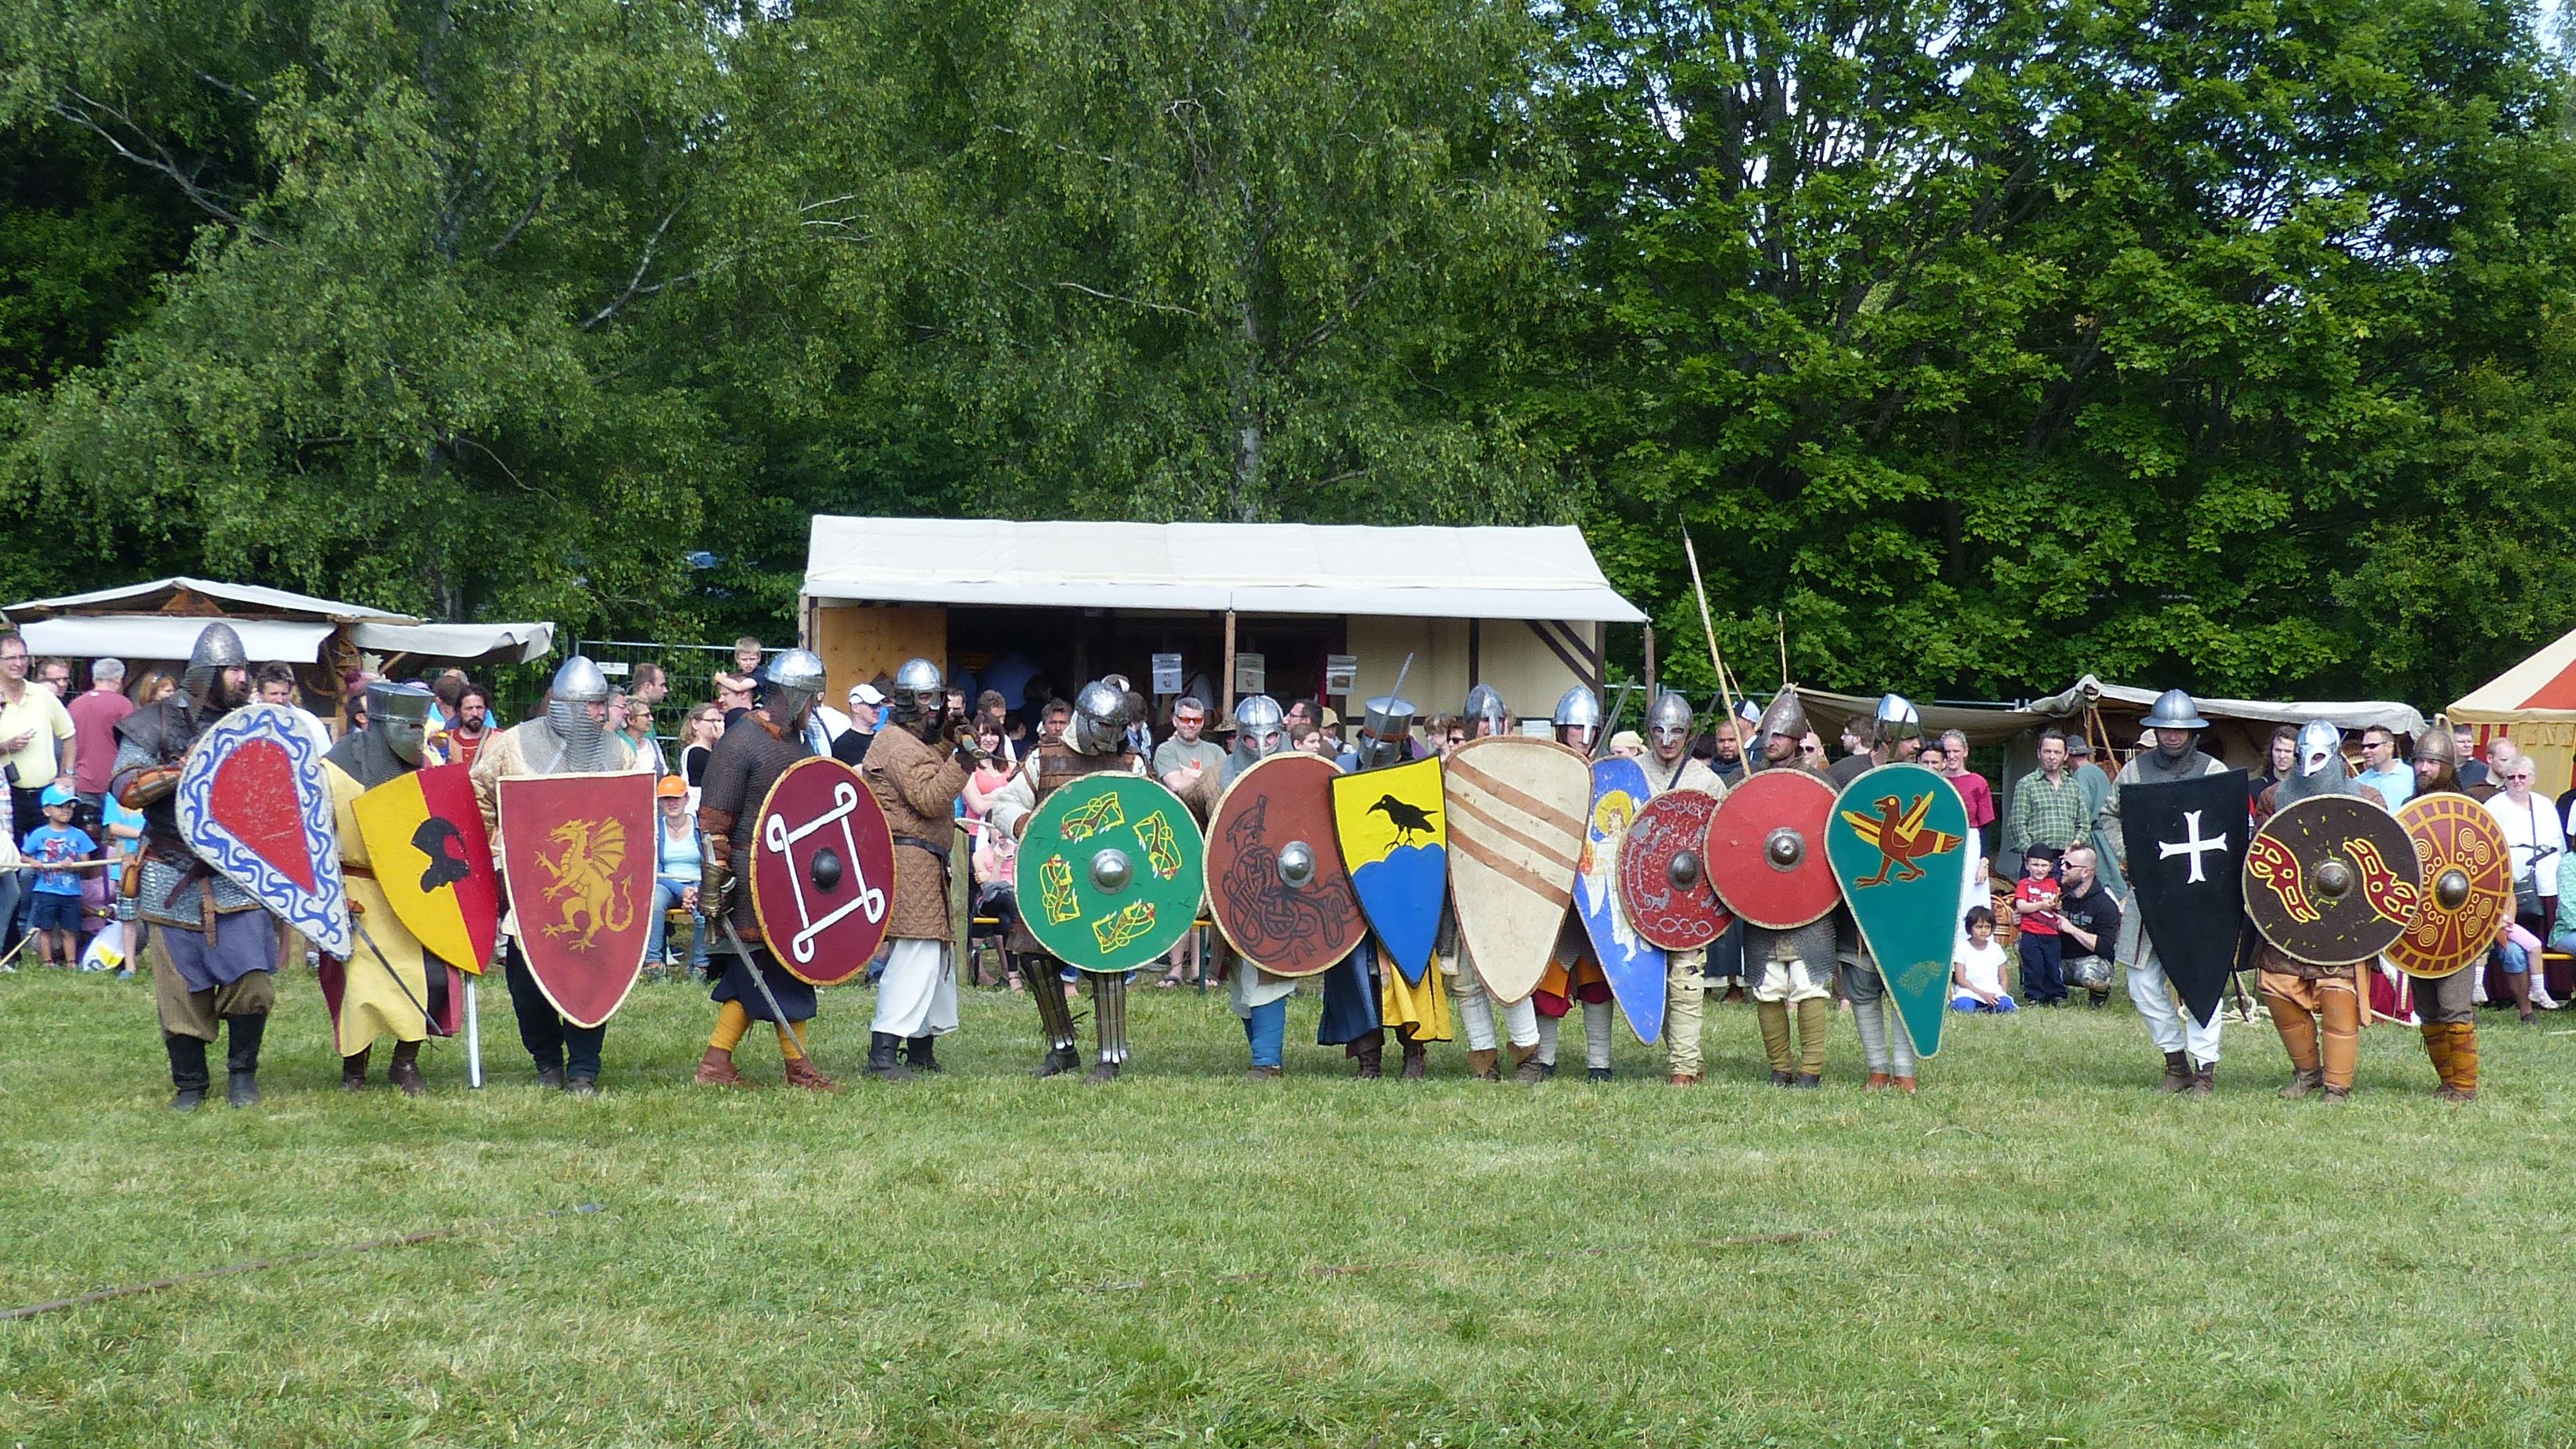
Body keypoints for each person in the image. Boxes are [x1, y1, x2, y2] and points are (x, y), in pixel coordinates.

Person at [110, 623, 273, 1110]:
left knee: (252, 980)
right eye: (235, 670)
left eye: (245, 670)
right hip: (170, 869)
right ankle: (191, 1085)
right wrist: (182, 769)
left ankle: (242, 1075)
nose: (244, 679)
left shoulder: (251, 723)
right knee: (180, 990)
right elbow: (125, 788)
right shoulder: (154, 722)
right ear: (207, 673)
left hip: (239, 871)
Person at [469, 655, 641, 1095]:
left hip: (591, 882)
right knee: (526, 983)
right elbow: (480, 797)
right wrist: (495, 856)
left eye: (602, 704)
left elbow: (631, 813)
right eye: (592, 705)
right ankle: (546, 1060)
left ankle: (584, 1067)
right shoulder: (514, 745)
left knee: (594, 974)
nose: (601, 713)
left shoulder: (618, 751)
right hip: (529, 885)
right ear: (563, 704)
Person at [985, 680, 1148, 1081]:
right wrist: (1024, 822)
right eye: (1105, 727)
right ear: (1087, 721)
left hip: (1109, 882)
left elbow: (1152, 815)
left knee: (1108, 961)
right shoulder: (1046, 757)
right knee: (1034, 956)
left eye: (1118, 728)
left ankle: (1111, 1055)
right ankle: (1062, 1047)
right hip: (1054, 878)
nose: (1112, 737)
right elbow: (1004, 804)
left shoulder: (1132, 763)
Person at [693, 649, 837, 1091]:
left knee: (762, 972)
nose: (814, 707)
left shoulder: (798, 743)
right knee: (773, 970)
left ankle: (717, 1063)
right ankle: (797, 1067)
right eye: (810, 698)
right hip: (751, 872)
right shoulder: (741, 742)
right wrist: (715, 883)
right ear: (792, 695)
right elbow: (713, 820)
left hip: (792, 874)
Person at [316, 681, 458, 1094]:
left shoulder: (426, 768)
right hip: (356, 892)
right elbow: (318, 838)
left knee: (428, 976)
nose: (421, 734)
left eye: (422, 725)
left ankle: (405, 1061)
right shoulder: (335, 771)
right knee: (360, 984)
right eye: (412, 725)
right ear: (384, 724)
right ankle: (355, 1070)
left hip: (413, 891)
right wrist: (329, 897)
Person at [2098, 688, 2230, 1095]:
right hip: (2149, 892)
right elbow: (2108, 815)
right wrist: (2129, 854)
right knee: (2139, 979)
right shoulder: (2134, 773)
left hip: (2199, 896)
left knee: (2202, 979)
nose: (2172, 737)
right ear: (2155, 731)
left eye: (2180, 731)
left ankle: (2205, 1069)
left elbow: (2230, 824)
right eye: (2165, 730)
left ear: (2192, 733)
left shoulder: (2213, 772)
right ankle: (2175, 1062)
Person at [1319, 686, 1451, 1080]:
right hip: (1353, 886)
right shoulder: (1339, 769)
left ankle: (1415, 1051)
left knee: (1408, 967)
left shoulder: (1419, 774)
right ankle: (1368, 1057)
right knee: (1357, 975)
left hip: (1406, 888)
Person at [859, 657, 979, 1080]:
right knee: (916, 952)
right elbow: (928, 797)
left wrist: (949, 743)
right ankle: (883, 1054)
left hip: (925, 858)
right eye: (926, 699)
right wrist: (964, 760)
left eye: (937, 698)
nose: (934, 708)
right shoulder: (894, 743)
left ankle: (921, 1049)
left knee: (934, 955)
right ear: (908, 702)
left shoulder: (912, 743)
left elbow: (929, 766)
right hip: (906, 858)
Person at [2249, 721, 2365, 1102]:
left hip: (2341, 916)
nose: (2307, 764)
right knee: (2277, 988)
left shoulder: (2364, 797)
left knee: (2337, 995)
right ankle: (2307, 1073)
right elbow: (2262, 857)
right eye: (2302, 755)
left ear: (2335, 755)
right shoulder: (2274, 797)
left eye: (2317, 756)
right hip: (2290, 910)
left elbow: (2379, 860)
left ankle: (2337, 1085)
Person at [1441, 685, 1545, 1080]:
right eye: (1480, 719)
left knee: (1510, 972)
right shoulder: (1451, 765)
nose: (1487, 725)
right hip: (1464, 883)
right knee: (1467, 979)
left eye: (1493, 718)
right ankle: (1483, 1059)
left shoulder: (1522, 764)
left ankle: (1529, 1056)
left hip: (1508, 885)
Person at [1742, 688, 1838, 1087]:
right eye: (1767, 733)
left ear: (1798, 740)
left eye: (1780, 735)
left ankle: (1811, 1070)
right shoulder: (1748, 782)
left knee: (1809, 984)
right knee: (1767, 988)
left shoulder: (1820, 784)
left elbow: (1831, 844)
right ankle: (1780, 1067)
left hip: (1807, 902)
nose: (1771, 741)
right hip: (1763, 901)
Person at [1638, 691, 1727, 1085]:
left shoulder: (1705, 781)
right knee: (1649, 985)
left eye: (1676, 731)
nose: (1667, 739)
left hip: (1689, 894)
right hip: (1640, 893)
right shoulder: (1633, 774)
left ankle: (1684, 1068)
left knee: (1687, 980)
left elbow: (1721, 840)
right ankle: (1685, 1054)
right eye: (1659, 730)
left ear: (1689, 734)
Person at [2405, 729, 2483, 1100]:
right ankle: (2447, 1080)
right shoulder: (2408, 808)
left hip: (2457, 923)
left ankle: (2465, 1086)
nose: (2423, 768)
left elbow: (2485, 872)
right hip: (2418, 924)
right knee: (2429, 1011)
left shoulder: (2465, 810)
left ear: (2448, 766)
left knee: (2454, 1008)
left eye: (2432, 762)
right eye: (2419, 761)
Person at [0, 632, 79, 843]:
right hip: (6, 797)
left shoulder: (42, 695)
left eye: (23, 657)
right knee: (7, 864)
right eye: (10, 658)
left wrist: (68, 774)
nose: (18, 663)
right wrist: (5, 746)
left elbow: (69, 734)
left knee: (49, 859)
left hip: (46, 795)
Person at [2485, 754, 2563, 947]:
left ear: (2532, 779)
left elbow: (2560, 844)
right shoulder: (2494, 806)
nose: (2517, 781)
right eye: (2511, 777)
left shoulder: (2545, 804)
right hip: (2514, 890)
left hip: (2548, 886)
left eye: (2522, 776)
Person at [21, 784, 95, 968]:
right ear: (47, 810)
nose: (66, 810)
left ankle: (71, 962)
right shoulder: (39, 834)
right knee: (44, 928)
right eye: (60, 806)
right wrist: (33, 863)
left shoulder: (79, 835)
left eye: (70, 806)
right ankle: (48, 962)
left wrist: (75, 864)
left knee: (70, 929)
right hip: (45, 889)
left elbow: (86, 862)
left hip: (71, 892)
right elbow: (24, 856)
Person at [646, 776, 707, 976]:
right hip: (666, 882)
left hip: (699, 883)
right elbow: (654, 870)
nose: (672, 803)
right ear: (660, 802)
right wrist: (683, 890)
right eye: (666, 799)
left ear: (686, 799)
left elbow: (711, 863)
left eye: (676, 798)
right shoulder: (655, 829)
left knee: (705, 911)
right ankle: (654, 963)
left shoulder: (700, 827)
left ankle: (700, 965)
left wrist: (696, 889)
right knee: (655, 902)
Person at [65, 657, 132, 827]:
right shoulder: (123, 705)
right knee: (112, 837)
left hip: (81, 780)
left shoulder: (75, 704)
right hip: (113, 781)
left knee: (86, 837)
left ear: (94, 678)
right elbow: (131, 743)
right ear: (118, 679)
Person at [2055, 843, 2121, 1009]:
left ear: (2086, 872)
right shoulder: (2056, 892)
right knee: (2023, 943)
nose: (2062, 868)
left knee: (2090, 976)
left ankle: (2100, 992)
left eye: (2068, 865)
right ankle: (2047, 990)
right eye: (2062, 862)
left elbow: (2106, 948)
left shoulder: (2105, 905)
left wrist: (2071, 929)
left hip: (2088, 960)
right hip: (2059, 958)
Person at [2013, 847, 2065, 1007]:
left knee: (2053, 965)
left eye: (2044, 865)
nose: (2039, 869)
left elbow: (2059, 906)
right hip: (2030, 933)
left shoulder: (2053, 884)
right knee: (2034, 966)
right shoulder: (2024, 884)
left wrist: (2056, 905)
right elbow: (2021, 906)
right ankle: (2034, 996)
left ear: (2051, 867)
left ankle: (2056, 994)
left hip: (2051, 934)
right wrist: (2041, 905)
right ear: (2027, 865)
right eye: (2035, 865)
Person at [253, 663, 331, 753]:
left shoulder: (309, 723)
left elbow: (324, 759)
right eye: (274, 694)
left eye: (284, 694)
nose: (280, 699)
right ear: (260, 695)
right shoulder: (244, 720)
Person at [1951, 907, 2015, 1012]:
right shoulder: (1961, 948)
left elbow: (2003, 978)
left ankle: (1990, 1007)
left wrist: (2002, 993)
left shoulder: (1996, 948)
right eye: (1979, 927)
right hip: (1969, 991)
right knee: (1964, 1007)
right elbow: (1960, 979)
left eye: (1987, 927)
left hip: (1993, 991)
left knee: (2006, 1006)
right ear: (1970, 928)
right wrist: (1983, 994)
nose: (1983, 931)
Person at [1938, 730, 1994, 835]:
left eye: (1956, 751)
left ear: (1965, 751)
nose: (1951, 756)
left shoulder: (1978, 783)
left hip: (1969, 840)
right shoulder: (1935, 780)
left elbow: (1986, 823)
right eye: (1947, 752)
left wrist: (1984, 851)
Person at [2351, 726, 2414, 808]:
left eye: (2372, 746)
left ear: (2389, 747)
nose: (2365, 751)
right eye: (2363, 747)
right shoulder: (2357, 783)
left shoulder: (2413, 776)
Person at [443, 681, 493, 769]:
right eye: (469, 708)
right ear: (459, 711)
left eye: (479, 708)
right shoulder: (446, 739)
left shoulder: (501, 738)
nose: (475, 713)